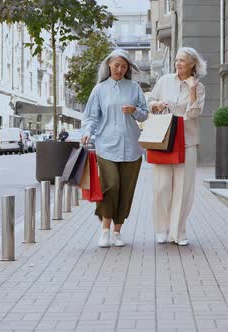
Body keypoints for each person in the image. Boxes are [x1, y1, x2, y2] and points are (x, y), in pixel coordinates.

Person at [81, 49, 149, 248]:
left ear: (128, 68)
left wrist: (135, 110)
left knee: (126, 191)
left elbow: (144, 115)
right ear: (109, 65)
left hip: (132, 148)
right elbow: (91, 117)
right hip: (106, 146)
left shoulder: (134, 87)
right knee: (111, 186)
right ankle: (104, 230)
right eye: (116, 65)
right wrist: (87, 132)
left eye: (124, 66)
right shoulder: (100, 90)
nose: (120, 69)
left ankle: (117, 232)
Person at [148, 47, 207, 246]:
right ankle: (161, 228)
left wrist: (191, 88)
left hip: (187, 140)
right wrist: (157, 104)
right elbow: (149, 101)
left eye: (183, 60)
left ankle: (178, 231)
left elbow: (193, 114)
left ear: (193, 64)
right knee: (161, 186)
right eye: (177, 60)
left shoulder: (198, 87)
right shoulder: (165, 80)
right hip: (163, 137)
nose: (178, 63)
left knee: (184, 188)